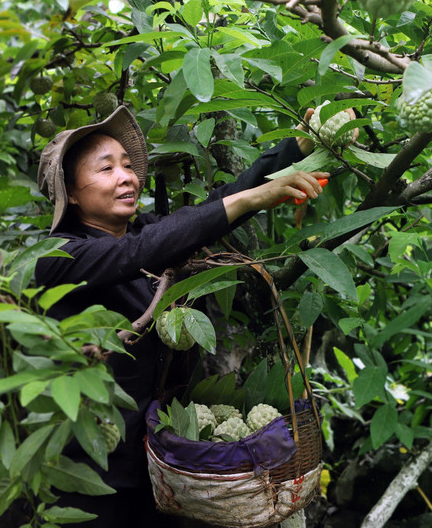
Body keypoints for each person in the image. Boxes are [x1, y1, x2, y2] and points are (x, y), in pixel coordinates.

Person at [34, 105, 334, 526]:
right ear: (73, 192)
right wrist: (249, 199)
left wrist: (295, 149)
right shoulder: (58, 256)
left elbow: (199, 218)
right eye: (106, 169)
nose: (127, 177)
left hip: (169, 463)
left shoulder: (148, 235)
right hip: (94, 473)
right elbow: (138, 253)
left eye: (127, 165)